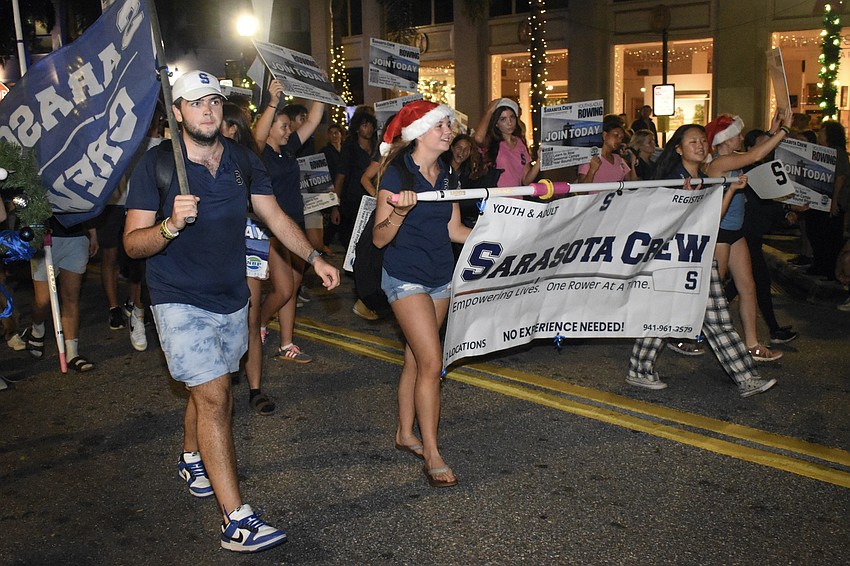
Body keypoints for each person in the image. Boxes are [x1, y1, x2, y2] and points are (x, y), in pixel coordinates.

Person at [123, 70, 339, 552]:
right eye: (195, 103)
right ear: (177, 112)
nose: (207, 110)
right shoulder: (156, 167)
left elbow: (275, 216)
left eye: (214, 101)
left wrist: (315, 258)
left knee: (208, 388)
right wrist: (170, 226)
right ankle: (236, 521)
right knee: (217, 398)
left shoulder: (242, 159)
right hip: (178, 298)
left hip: (231, 298)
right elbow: (132, 246)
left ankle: (189, 455)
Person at [626, 124, 776, 397]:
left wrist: (730, 190)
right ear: (679, 149)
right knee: (666, 317)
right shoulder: (674, 178)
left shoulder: (705, 177)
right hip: (675, 259)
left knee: (713, 321)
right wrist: (685, 198)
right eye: (692, 141)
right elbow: (670, 221)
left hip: (698, 258)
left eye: (701, 141)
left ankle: (745, 378)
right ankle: (640, 369)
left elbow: (711, 220)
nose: (700, 145)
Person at [373, 100, 471, 487]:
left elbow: (454, 230)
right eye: (441, 125)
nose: (449, 130)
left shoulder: (446, 172)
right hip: (404, 277)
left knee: (416, 360)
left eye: (449, 124)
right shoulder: (397, 174)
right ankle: (432, 452)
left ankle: (404, 433)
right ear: (420, 133)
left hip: (439, 276)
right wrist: (399, 212)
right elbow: (380, 237)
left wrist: (504, 236)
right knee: (433, 363)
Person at [704, 112, 791, 362]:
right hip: (720, 233)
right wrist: (784, 132)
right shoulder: (718, 164)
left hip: (736, 232)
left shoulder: (733, 159)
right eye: (737, 135)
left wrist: (774, 132)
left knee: (748, 287)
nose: (741, 137)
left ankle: (752, 344)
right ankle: (692, 335)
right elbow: (755, 155)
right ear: (726, 140)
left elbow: (754, 154)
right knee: (714, 293)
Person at [219, 101, 277, 415]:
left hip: (249, 242)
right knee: (222, 320)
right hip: (215, 249)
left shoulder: (249, 160)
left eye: (226, 123)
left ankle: (255, 389)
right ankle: (219, 387)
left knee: (251, 321)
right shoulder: (200, 157)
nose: (219, 128)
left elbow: (265, 207)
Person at [724, 128, 798, 344]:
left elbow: (768, 202)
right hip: (739, 232)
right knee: (750, 282)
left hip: (747, 233)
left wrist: (786, 213)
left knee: (742, 284)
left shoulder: (758, 168)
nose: (768, 147)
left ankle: (769, 332)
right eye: (763, 143)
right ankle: (772, 331)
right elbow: (762, 203)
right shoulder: (741, 167)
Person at [9, 216, 98, 372]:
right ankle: (37, 330)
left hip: (76, 236)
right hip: (44, 240)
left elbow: (86, 201)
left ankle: (72, 353)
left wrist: (93, 232)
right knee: (43, 300)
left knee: (71, 298)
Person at [805, 120, 848, 280]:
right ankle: (820, 264)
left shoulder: (838, 153)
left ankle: (829, 268)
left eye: (822, 132)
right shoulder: (824, 151)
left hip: (832, 201)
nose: (819, 135)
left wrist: (834, 201)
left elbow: (840, 177)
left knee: (830, 236)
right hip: (821, 200)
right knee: (817, 232)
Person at [473, 97, 540, 188]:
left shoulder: (520, 143)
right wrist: (489, 112)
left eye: (512, 117)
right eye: (503, 119)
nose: (510, 123)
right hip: (496, 199)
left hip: (517, 199)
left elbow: (526, 180)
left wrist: (540, 160)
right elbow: (478, 138)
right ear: (496, 123)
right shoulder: (491, 142)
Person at [335, 109, 378, 247]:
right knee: (352, 241)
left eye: (371, 125)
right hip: (352, 200)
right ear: (357, 128)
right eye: (365, 125)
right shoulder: (349, 147)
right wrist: (335, 205)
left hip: (372, 198)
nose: (369, 129)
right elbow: (340, 176)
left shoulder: (378, 146)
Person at [577, 116, 637, 184]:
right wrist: (592, 170)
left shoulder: (618, 159)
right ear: (604, 135)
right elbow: (581, 191)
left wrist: (633, 163)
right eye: (616, 135)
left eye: (621, 137)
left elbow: (633, 183)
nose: (619, 140)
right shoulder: (591, 158)